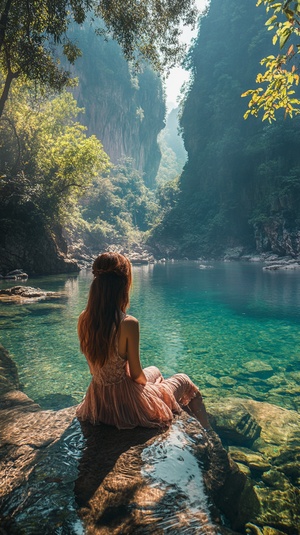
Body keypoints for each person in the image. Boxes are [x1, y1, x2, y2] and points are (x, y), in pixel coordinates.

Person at [76, 252, 210, 430]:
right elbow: (137, 377)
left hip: (98, 401)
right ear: (123, 285)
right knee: (183, 380)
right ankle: (208, 434)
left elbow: (95, 371)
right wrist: (150, 391)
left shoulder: (83, 319)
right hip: (126, 404)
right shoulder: (127, 323)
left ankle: (166, 401)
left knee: (154, 371)